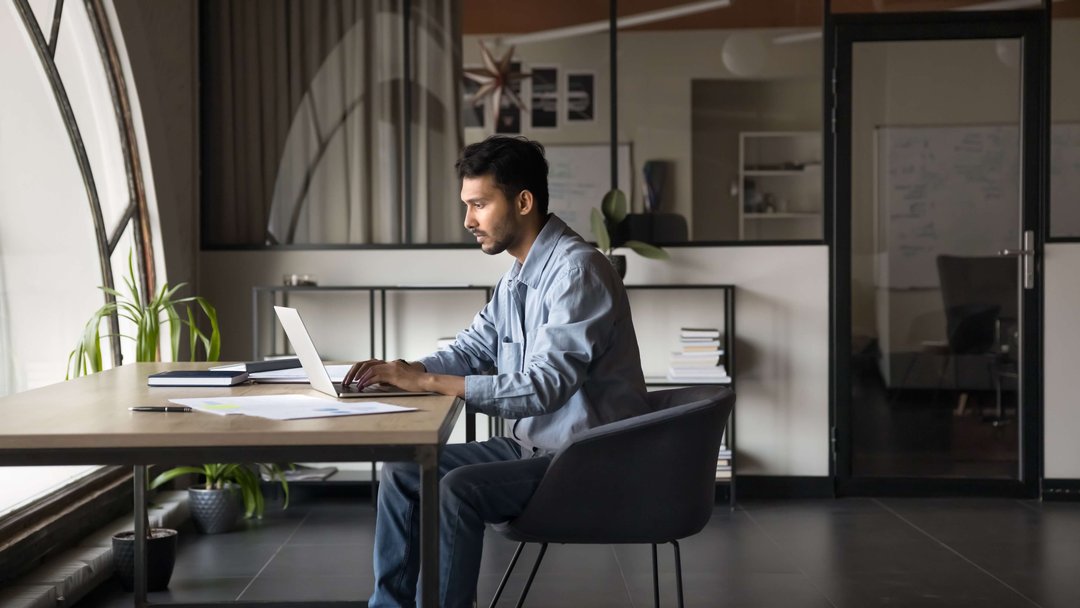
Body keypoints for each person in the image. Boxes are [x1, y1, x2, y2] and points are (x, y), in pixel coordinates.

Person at [343, 135, 650, 608]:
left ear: (523, 201)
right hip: (533, 446)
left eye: (479, 204)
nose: (468, 220)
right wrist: (406, 369)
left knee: (455, 490)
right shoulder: (518, 276)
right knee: (405, 471)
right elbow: (472, 348)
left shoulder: (578, 272)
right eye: (467, 205)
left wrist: (425, 383)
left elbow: (541, 388)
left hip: (584, 460)